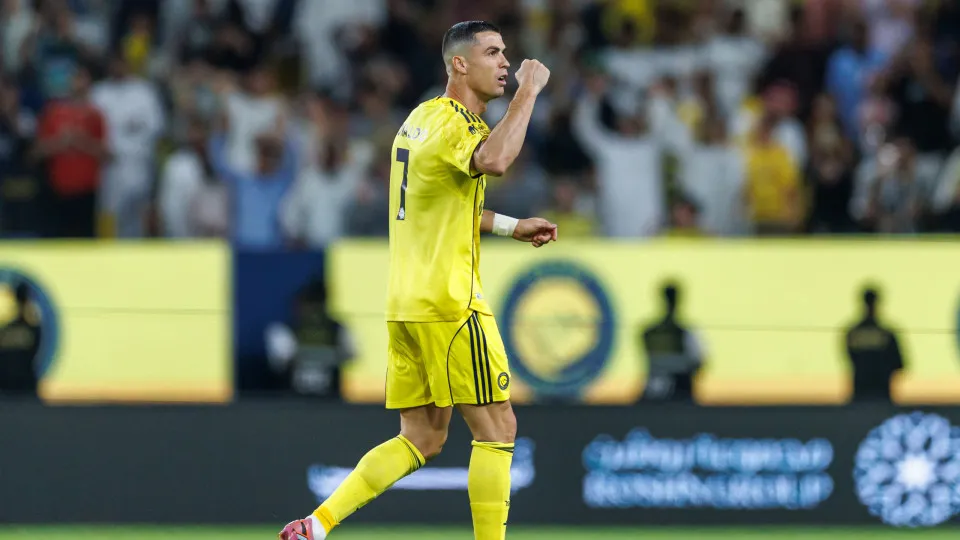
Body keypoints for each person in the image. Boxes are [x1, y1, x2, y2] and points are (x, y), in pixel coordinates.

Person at [279, 20, 556, 540]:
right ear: (459, 64)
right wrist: (530, 92)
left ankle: (316, 524)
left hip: (406, 304)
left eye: (505, 54)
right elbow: (496, 160)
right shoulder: (457, 126)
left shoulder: (419, 120)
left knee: (422, 438)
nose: (505, 63)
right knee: (497, 429)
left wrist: (511, 226)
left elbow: (441, 205)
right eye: (492, 53)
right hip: (451, 302)